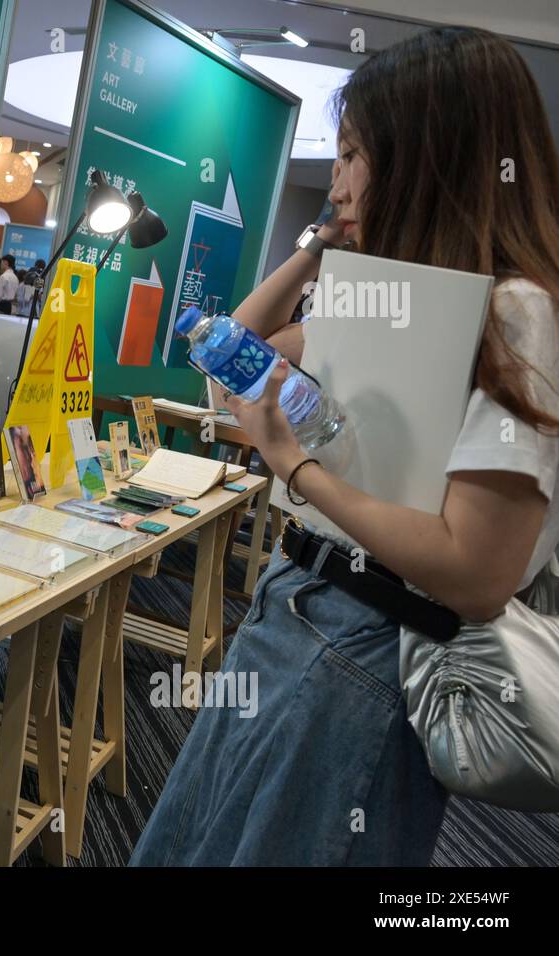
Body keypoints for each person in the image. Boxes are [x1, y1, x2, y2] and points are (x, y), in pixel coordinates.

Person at [131, 27, 559, 866]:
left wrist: (295, 468)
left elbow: (474, 571)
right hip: (295, 607)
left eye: (357, 154)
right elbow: (225, 350)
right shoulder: (399, 303)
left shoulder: (516, 315)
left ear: (430, 157)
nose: (338, 180)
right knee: (197, 841)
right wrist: (317, 246)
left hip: (374, 646)